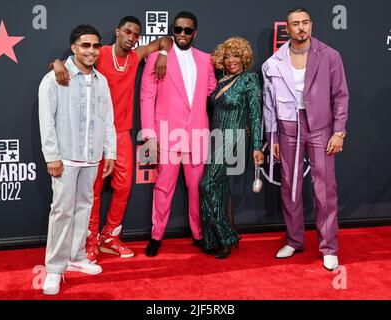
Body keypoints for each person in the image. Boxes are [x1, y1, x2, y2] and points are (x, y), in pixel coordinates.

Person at [52, 16, 172, 262]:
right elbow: (70, 63)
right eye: (127, 31)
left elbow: (167, 40)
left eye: (136, 34)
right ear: (117, 32)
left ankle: (110, 236)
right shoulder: (100, 52)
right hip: (94, 133)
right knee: (92, 189)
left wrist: (164, 54)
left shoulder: (135, 56)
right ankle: (90, 238)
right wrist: (56, 63)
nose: (131, 37)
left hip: (122, 133)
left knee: (124, 186)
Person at [262, 8, 349, 271]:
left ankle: (329, 247)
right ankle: (294, 239)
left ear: (311, 25)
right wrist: (272, 135)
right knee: (290, 186)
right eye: (296, 24)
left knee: (325, 189)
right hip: (288, 126)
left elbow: (341, 95)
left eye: (305, 23)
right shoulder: (273, 62)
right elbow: (268, 103)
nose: (301, 28)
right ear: (287, 29)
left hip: (321, 126)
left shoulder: (330, 55)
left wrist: (339, 131)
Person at [39, 24, 116, 295]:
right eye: (85, 45)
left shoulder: (101, 81)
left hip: (92, 157)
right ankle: (54, 269)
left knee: (84, 206)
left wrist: (110, 152)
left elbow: (107, 120)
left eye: (95, 46)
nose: (91, 51)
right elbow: (46, 120)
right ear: (74, 48)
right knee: (61, 212)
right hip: (65, 158)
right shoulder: (55, 78)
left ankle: (76, 256)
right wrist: (52, 156)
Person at [140, 11, 217, 257]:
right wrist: (149, 135)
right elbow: (147, 96)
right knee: (163, 187)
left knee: (197, 189)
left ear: (195, 32)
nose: (181, 34)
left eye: (187, 30)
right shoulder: (156, 58)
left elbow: (212, 90)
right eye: (177, 29)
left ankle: (198, 234)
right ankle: (156, 235)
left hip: (197, 134)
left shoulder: (206, 59)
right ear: (172, 31)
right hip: (166, 134)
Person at [199, 37, 264, 259]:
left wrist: (257, 146)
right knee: (219, 189)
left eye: (235, 56)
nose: (231, 61)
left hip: (234, 139)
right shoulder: (220, 80)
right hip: (216, 138)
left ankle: (227, 237)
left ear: (244, 57)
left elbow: (256, 115)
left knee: (207, 185)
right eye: (226, 57)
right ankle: (213, 239)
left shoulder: (249, 79)